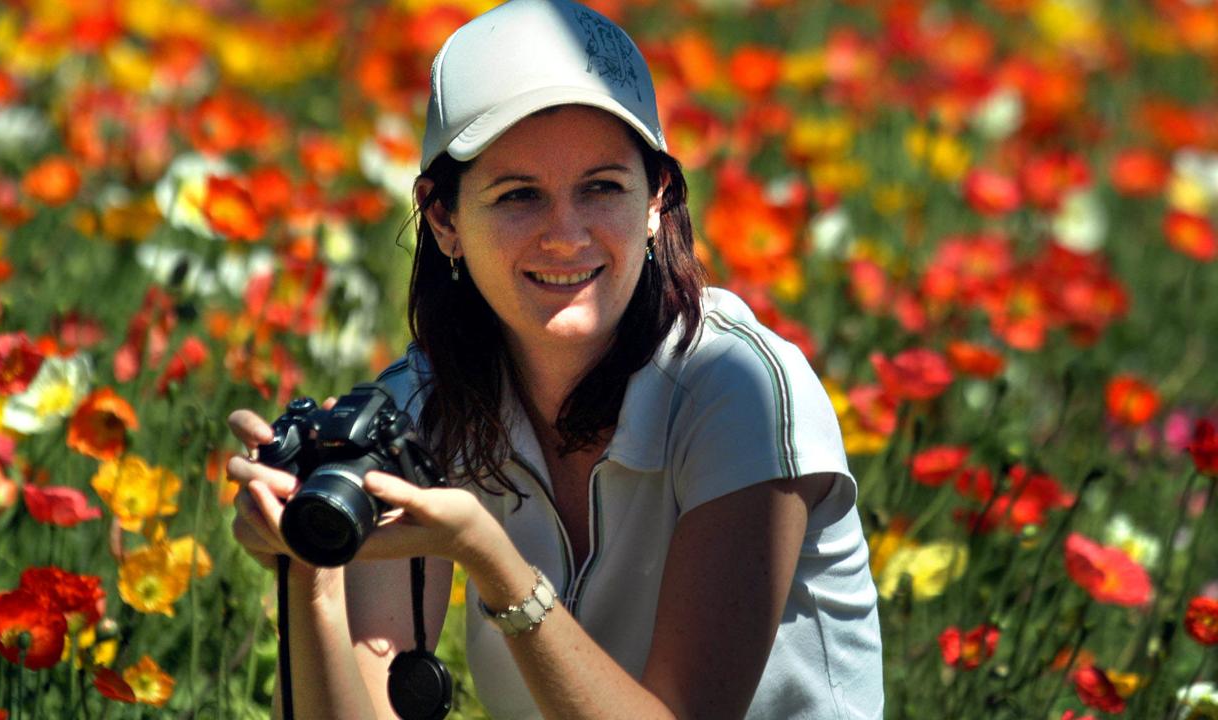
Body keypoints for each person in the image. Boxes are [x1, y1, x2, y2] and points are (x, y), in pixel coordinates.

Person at [226, 0, 884, 717]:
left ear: (658, 196)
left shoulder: (738, 390)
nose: (565, 235)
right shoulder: (417, 413)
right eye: (519, 196)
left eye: (602, 188)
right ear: (443, 218)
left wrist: (494, 562)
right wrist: (310, 569)